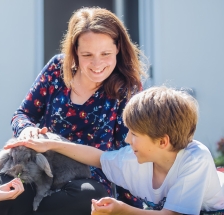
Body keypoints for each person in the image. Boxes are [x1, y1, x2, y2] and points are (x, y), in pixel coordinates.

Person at [6, 86, 224, 215]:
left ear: (162, 142)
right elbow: (99, 158)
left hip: (223, 207)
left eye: (134, 134)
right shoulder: (136, 159)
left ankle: (222, 179)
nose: (127, 139)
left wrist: (122, 210)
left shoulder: (196, 157)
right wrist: (52, 144)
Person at [10, 6, 147, 213]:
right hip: (42, 171)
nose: (97, 63)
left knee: (88, 197)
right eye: (87, 54)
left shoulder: (127, 90)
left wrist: (131, 210)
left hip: (88, 182)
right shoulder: (57, 68)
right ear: (75, 50)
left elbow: (126, 157)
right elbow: (23, 114)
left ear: (118, 47)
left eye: (106, 53)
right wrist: (27, 129)